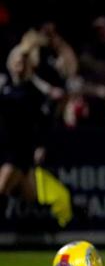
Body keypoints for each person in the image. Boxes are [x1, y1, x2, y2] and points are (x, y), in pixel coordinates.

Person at [0, 33, 73, 227]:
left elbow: (42, 122)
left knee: (3, 187)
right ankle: (52, 223)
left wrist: (40, 145)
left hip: (18, 151)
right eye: (17, 61)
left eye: (24, 61)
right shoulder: (5, 86)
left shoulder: (32, 91)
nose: (20, 64)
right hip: (5, 147)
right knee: (31, 196)